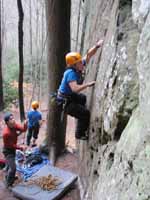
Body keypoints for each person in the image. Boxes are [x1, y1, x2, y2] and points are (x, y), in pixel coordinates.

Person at [57, 39, 103, 140]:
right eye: (79, 63)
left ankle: (79, 113)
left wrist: (97, 46)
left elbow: (89, 55)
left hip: (69, 96)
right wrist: (87, 85)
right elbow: (75, 89)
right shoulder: (70, 73)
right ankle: (79, 134)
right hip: (65, 102)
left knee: (82, 99)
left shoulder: (77, 66)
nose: (82, 64)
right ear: (74, 65)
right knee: (85, 114)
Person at [2, 113, 27, 188]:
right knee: (13, 168)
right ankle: (8, 183)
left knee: (10, 166)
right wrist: (21, 148)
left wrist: (25, 124)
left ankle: (9, 176)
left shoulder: (15, 125)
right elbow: (11, 145)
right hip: (8, 151)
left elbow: (23, 129)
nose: (13, 120)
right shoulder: (6, 133)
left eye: (13, 118)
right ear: (7, 122)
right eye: (11, 119)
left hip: (13, 149)